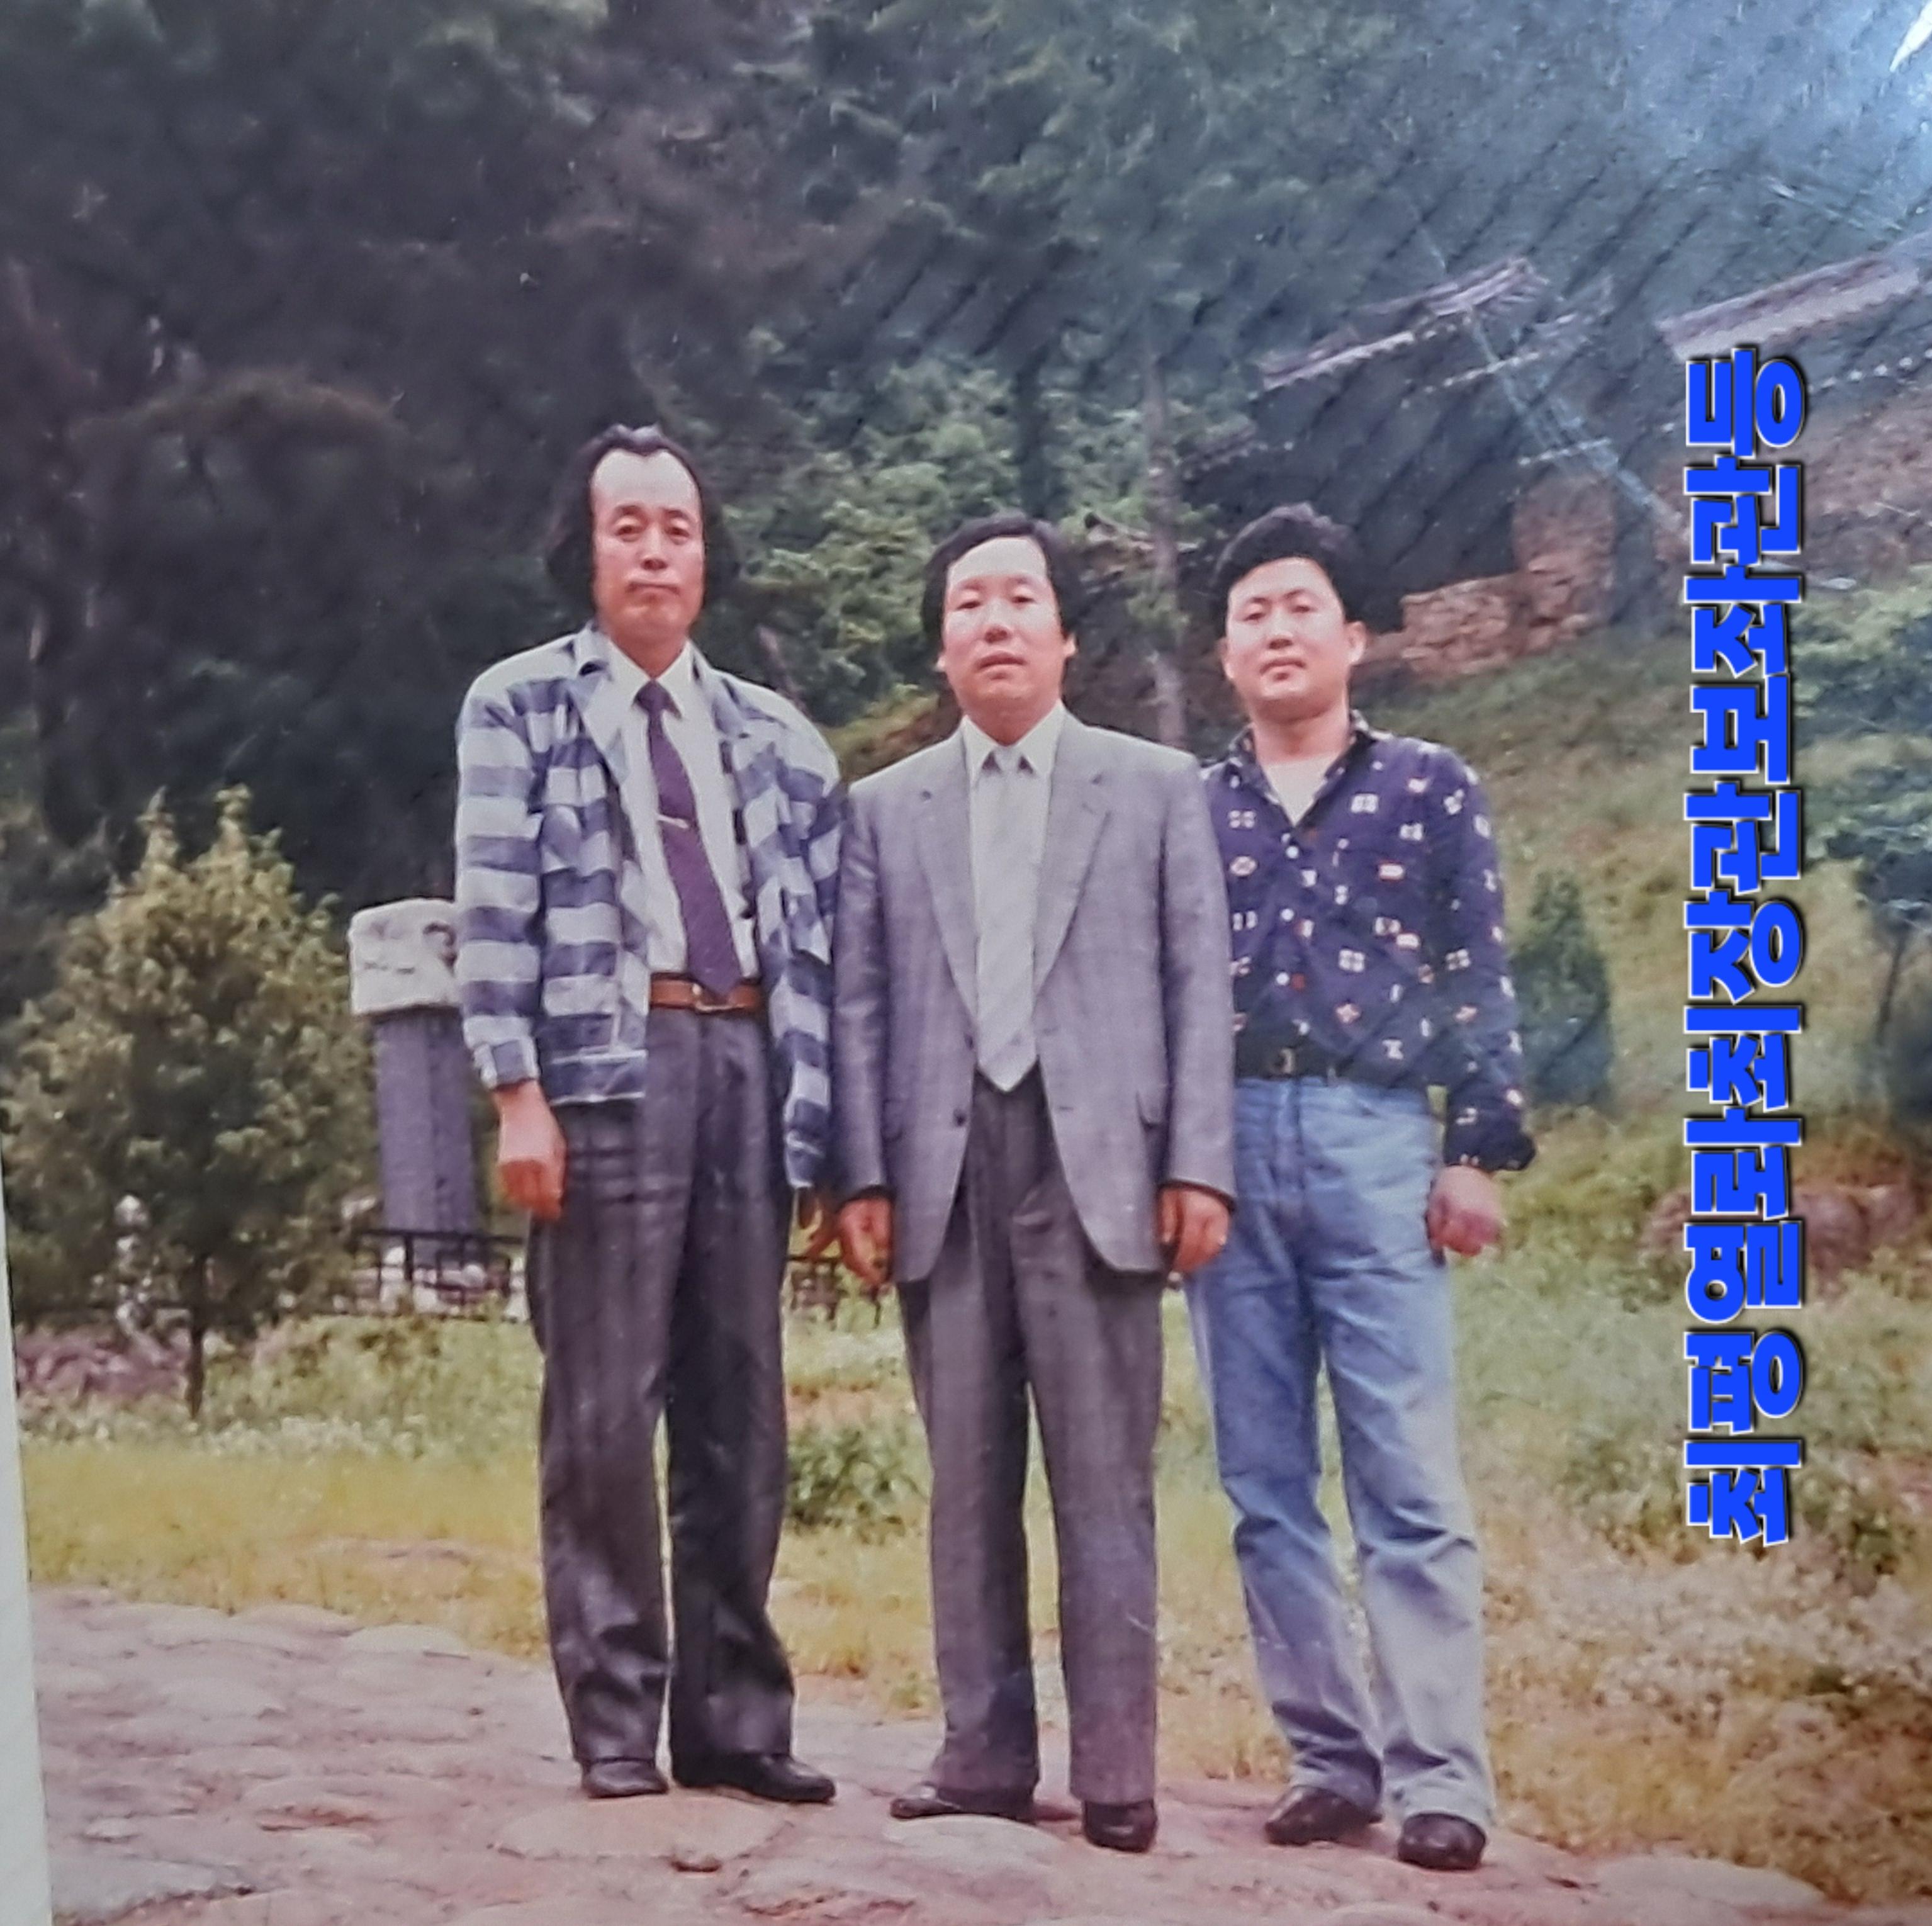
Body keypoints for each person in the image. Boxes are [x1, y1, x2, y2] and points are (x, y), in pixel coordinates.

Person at [829, 513, 1235, 1854]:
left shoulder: (1157, 787)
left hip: (1099, 1167)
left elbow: (1199, 987)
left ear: (1064, 635)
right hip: (944, 1170)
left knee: (1104, 1479)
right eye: (969, 605)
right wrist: (861, 1177)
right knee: (966, 1480)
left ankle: (1118, 1772)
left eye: (1020, 599)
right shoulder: (883, 812)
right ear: (940, 648)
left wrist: (1198, 1164)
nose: (995, 623)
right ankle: (983, 1755)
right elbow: (860, 1006)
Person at [454, 425, 842, 1806]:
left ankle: (737, 1724)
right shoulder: (519, 707)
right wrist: (518, 1094)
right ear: (588, 550)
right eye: (630, 527)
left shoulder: (777, 736)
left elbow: (823, 944)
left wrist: (819, 1121)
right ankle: (615, 1719)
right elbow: (493, 912)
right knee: (604, 1414)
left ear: (707, 554)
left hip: (747, 1064)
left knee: (742, 1409)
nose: (657, 552)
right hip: (603, 1073)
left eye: (678, 528)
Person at [1186, 504, 1535, 1873]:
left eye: (1300, 608)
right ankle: (1329, 1761)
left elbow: (1478, 971)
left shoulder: (1429, 786)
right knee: (1264, 1479)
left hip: (1377, 1136)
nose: (1278, 632)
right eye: (1252, 614)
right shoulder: (1189, 809)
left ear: (1354, 638)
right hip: (1225, 1142)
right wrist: (1174, 1164)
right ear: (1225, 655)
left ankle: (1441, 1775)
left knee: (1404, 1468)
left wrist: (1476, 1149)